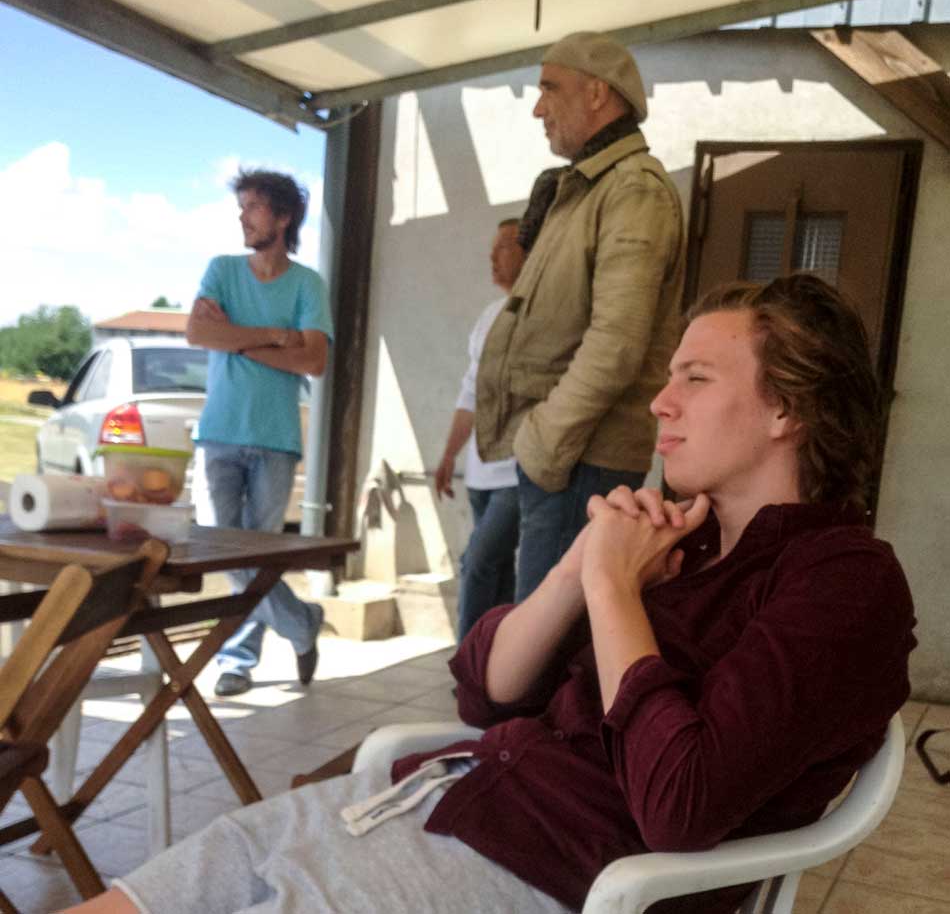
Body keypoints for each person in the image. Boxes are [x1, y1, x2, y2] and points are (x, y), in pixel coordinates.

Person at [67, 275, 915, 914]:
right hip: (443, 802)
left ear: (787, 408)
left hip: (549, 873)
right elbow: (486, 692)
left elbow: (679, 805)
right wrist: (580, 566)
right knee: (138, 897)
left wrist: (613, 591)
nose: (661, 402)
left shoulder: (844, 584)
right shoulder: (674, 544)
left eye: (695, 378)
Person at [476, 31, 686, 602]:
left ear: (597, 93)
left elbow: (616, 343)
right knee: (544, 627)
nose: (538, 108)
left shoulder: (633, 190)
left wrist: (543, 439)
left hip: (580, 460)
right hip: (568, 459)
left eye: (550, 88)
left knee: (546, 639)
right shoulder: (587, 188)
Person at [186, 168, 333, 697]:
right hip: (219, 433)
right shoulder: (222, 270)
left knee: (255, 560)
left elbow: (314, 361)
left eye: (253, 206)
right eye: (242, 206)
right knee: (226, 554)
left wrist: (235, 339)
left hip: (275, 439)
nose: (242, 216)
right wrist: (273, 336)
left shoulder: (307, 284)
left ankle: (237, 660)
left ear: (283, 217)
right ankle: (301, 622)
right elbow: (197, 332)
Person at [434, 219, 525, 639]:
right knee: (497, 568)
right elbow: (469, 393)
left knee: (477, 561)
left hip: (519, 472)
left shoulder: (544, 317)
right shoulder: (489, 316)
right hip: (480, 473)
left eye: (504, 245)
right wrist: (449, 454)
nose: (493, 255)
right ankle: (495, 657)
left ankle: (466, 659)